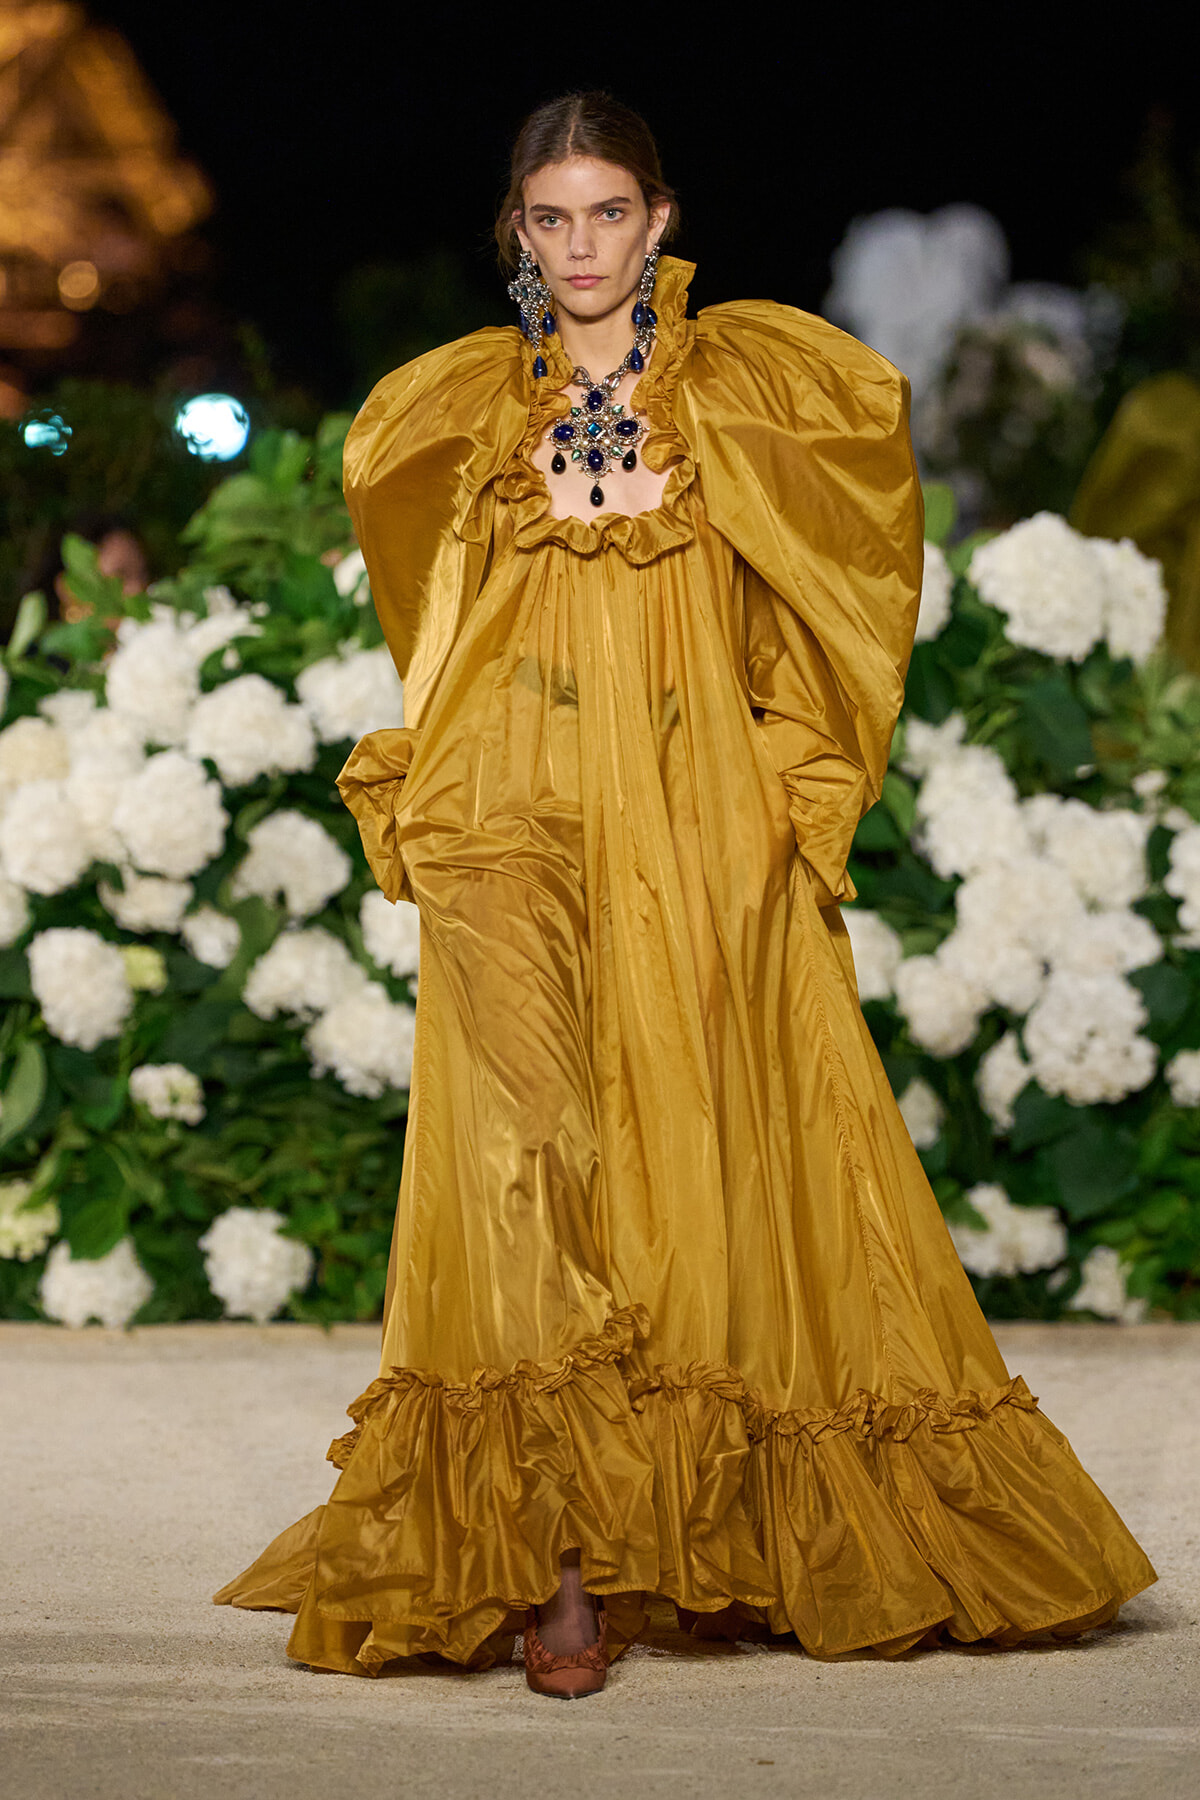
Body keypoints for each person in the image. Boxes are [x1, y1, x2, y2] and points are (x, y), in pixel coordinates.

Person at [215, 91, 1156, 1700]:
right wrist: (437, 798)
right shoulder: (445, 414)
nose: (579, 246)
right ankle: (557, 1562)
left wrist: (791, 800)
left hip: (696, 828)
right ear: (516, 232)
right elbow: (436, 633)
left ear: (659, 221)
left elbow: (848, 603)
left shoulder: (769, 392)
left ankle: (700, 1521)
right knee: (523, 1164)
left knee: (692, 1167)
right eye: (549, 218)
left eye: (607, 214)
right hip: (509, 826)